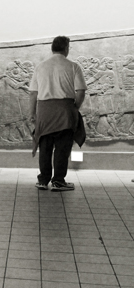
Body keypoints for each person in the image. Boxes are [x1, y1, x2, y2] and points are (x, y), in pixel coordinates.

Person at [30, 36, 87, 191]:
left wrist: (32, 113)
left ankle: (43, 180)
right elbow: (81, 91)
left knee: (45, 147)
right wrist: (75, 107)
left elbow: (33, 93)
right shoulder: (73, 66)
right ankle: (58, 181)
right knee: (62, 148)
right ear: (66, 48)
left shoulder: (40, 67)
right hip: (64, 110)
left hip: (44, 111)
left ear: (52, 48)